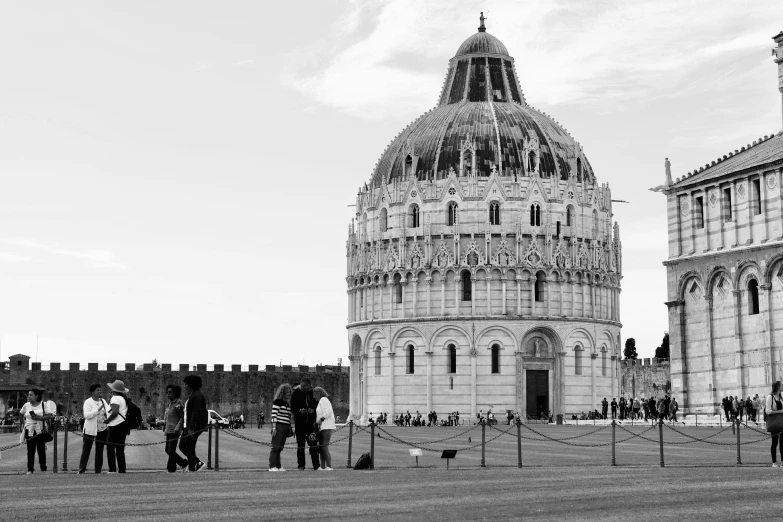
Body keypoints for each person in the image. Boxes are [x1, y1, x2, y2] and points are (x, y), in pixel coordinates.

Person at [19, 389, 53, 474]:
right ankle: (30, 469)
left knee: (41, 450)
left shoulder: (43, 404)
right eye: (28, 395)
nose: (29, 396)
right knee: (30, 450)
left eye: (31, 395)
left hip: (40, 429)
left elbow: (50, 415)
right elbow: (21, 415)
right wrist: (25, 423)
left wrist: (40, 418)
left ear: (37, 395)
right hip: (29, 429)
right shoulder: (26, 405)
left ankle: (43, 468)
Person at [78, 383, 109, 474]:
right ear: (92, 392)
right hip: (90, 429)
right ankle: (81, 469)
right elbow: (86, 415)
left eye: (100, 390)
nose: (100, 391)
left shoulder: (103, 401)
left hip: (102, 429)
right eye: (97, 390)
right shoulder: (88, 402)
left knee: (99, 450)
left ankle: (98, 470)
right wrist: (97, 411)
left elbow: (108, 412)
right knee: (86, 450)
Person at [291, 378, 319, 471]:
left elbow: (317, 405)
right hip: (300, 424)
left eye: (306, 388)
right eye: (303, 387)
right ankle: (301, 465)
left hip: (311, 424)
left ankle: (316, 465)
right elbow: (292, 408)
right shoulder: (295, 393)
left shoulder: (313, 393)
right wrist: (299, 411)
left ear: (309, 386)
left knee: (313, 445)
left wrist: (313, 410)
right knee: (301, 446)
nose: (304, 389)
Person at [182, 375, 208, 472]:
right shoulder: (194, 394)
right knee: (183, 445)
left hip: (195, 426)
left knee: (189, 446)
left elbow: (195, 413)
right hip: (189, 426)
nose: (185, 386)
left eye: (186, 384)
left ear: (191, 384)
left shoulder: (198, 395)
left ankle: (193, 467)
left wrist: (191, 428)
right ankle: (197, 463)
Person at [105, 380, 130, 473]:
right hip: (122, 425)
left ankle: (112, 469)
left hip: (115, 425)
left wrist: (107, 420)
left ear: (113, 390)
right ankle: (122, 469)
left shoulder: (115, 398)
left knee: (110, 448)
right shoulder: (123, 399)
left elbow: (115, 412)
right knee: (120, 449)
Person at [163, 385, 188, 473]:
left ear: (175, 393)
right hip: (169, 430)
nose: (168, 394)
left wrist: (177, 428)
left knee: (171, 450)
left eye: (170, 392)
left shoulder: (179, 403)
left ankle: (172, 469)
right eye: (167, 392)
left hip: (175, 430)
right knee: (167, 450)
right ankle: (183, 463)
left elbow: (182, 417)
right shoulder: (170, 404)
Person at [269, 383, 293, 472]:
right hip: (279, 426)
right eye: (287, 392)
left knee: (279, 448)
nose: (289, 394)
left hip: (285, 426)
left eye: (290, 392)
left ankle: (278, 466)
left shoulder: (286, 403)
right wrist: (274, 427)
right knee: (275, 447)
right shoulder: (278, 401)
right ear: (283, 392)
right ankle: (272, 466)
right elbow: (274, 415)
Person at [312, 386, 335, 471]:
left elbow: (328, 411)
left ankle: (329, 466)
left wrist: (321, 420)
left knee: (324, 446)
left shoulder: (324, 400)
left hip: (326, 426)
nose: (314, 397)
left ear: (318, 393)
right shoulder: (321, 401)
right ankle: (322, 466)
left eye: (315, 394)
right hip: (323, 426)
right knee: (321, 447)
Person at [766, 381, 783, 467]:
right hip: (775, 423)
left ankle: (782, 461)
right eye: (781, 385)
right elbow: (768, 411)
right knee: (774, 442)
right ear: (777, 387)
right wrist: (780, 411)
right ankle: (774, 462)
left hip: (782, 423)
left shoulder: (781, 397)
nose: (782, 386)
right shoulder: (770, 397)